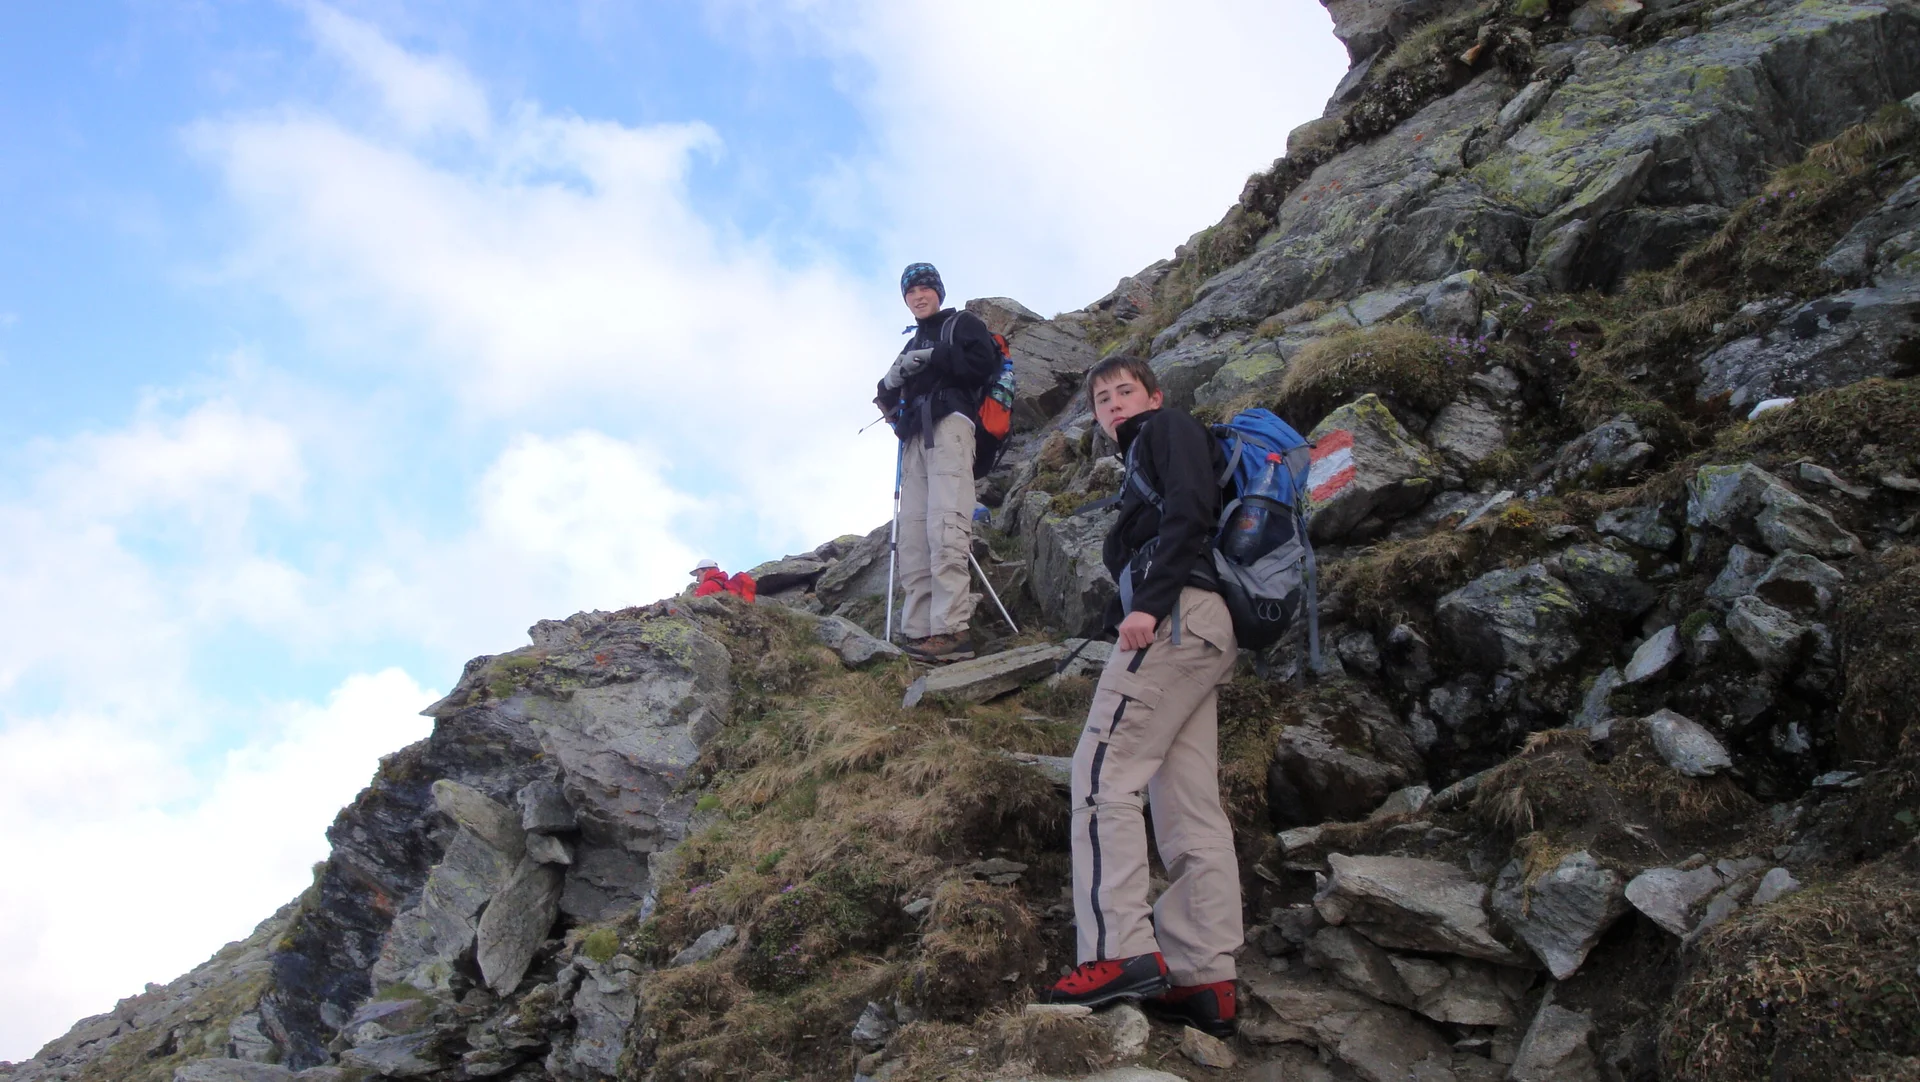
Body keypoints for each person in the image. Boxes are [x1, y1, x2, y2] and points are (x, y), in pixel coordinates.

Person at [1040, 355, 1243, 1039]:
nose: (1115, 404)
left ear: (1153, 396)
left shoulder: (1168, 430)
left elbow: (1191, 512)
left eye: (1125, 391)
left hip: (1178, 619)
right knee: (1188, 804)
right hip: (1199, 630)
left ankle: (1116, 949)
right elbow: (1167, 529)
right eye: (1102, 399)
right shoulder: (1143, 463)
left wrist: (1148, 608)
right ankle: (1204, 977)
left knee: (1101, 775)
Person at [875, 262, 1000, 662]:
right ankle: (918, 632)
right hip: (914, 438)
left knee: (946, 524)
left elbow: (983, 365)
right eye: (911, 292)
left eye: (926, 288)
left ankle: (951, 631)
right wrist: (890, 381)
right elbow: (885, 393)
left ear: (939, 292)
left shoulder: (961, 323)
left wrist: (935, 356)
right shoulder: (910, 344)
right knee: (913, 534)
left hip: (950, 427)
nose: (919, 296)